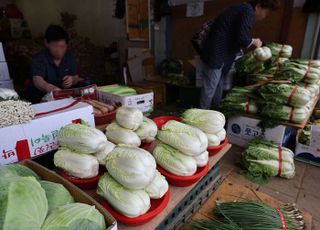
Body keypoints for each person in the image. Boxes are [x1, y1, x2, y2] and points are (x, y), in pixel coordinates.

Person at [197, 0, 280, 109]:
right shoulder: (247, 11)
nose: (265, 16)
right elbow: (241, 38)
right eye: (266, 11)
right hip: (215, 54)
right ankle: (201, 116)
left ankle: (215, 114)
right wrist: (254, 41)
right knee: (210, 88)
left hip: (220, 56)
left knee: (218, 86)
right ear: (258, 6)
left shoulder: (243, 9)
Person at [27, 25, 83, 103]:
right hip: (40, 99)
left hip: (62, 99)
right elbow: (37, 79)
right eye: (55, 46)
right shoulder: (39, 58)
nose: (59, 50)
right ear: (46, 43)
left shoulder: (69, 57)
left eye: (62, 46)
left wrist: (72, 79)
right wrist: (49, 88)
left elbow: (76, 77)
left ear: (67, 45)